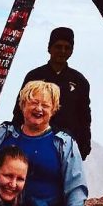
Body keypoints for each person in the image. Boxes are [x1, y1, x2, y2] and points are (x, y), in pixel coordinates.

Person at [11, 26, 92, 158]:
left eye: (67, 47)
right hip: (32, 143)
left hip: (65, 149)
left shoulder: (80, 81)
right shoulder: (34, 76)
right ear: (49, 48)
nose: (62, 51)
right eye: (58, 46)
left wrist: (83, 148)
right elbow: (19, 109)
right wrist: (15, 139)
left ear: (72, 51)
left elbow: (84, 118)